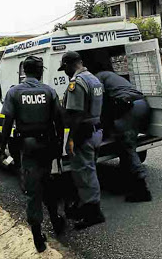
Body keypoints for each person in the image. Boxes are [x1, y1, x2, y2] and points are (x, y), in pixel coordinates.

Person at [0, 56, 65, 252]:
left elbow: (7, 122)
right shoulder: (49, 91)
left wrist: (2, 147)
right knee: (49, 183)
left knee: (33, 191)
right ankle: (56, 221)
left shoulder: (13, 92)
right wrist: (59, 145)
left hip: (27, 148)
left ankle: (38, 237)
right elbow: (59, 122)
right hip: (47, 146)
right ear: (40, 72)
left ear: (24, 72)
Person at [59, 51, 106, 230]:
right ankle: (85, 208)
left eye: (65, 68)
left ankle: (94, 214)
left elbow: (77, 114)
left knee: (85, 174)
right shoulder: (93, 79)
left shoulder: (77, 83)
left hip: (83, 133)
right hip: (96, 131)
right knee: (89, 170)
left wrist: (70, 139)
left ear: (70, 65)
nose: (65, 72)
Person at [94, 70, 152, 203]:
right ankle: (126, 181)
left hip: (129, 107)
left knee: (127, 146)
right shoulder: (111, 76)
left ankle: (141, 189)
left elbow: (101, 102)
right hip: (142, 105)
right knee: (126, 144)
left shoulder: (97, 78)